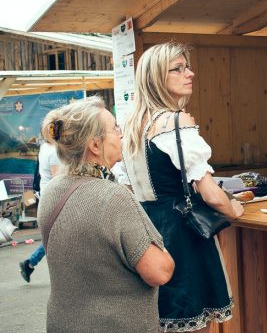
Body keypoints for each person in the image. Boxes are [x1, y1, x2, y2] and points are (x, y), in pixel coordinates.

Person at [123, 42, 244, 333]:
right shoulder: (175, 121)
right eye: (178, 69)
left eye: (186, 66)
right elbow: (211, 194)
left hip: (145, 235)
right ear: (155, 78)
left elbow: (126, 188)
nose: (190, 73)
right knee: (192, 323)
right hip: (181, 235)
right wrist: (237, 209)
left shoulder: (131, 125)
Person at [37, 96, 175, 333]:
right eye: (115, 128)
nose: (121, 134)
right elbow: (159, 271)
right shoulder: (113, 196)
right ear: (95, 145)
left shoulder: (51, 192)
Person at [19, 138, 59, 283]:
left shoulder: (44, 147)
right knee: (54, 235)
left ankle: (30, 263)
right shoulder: (54, 150)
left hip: (46, 194)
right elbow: (57, 179)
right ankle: (31, 263)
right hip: (54, 198)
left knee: (53, 235)